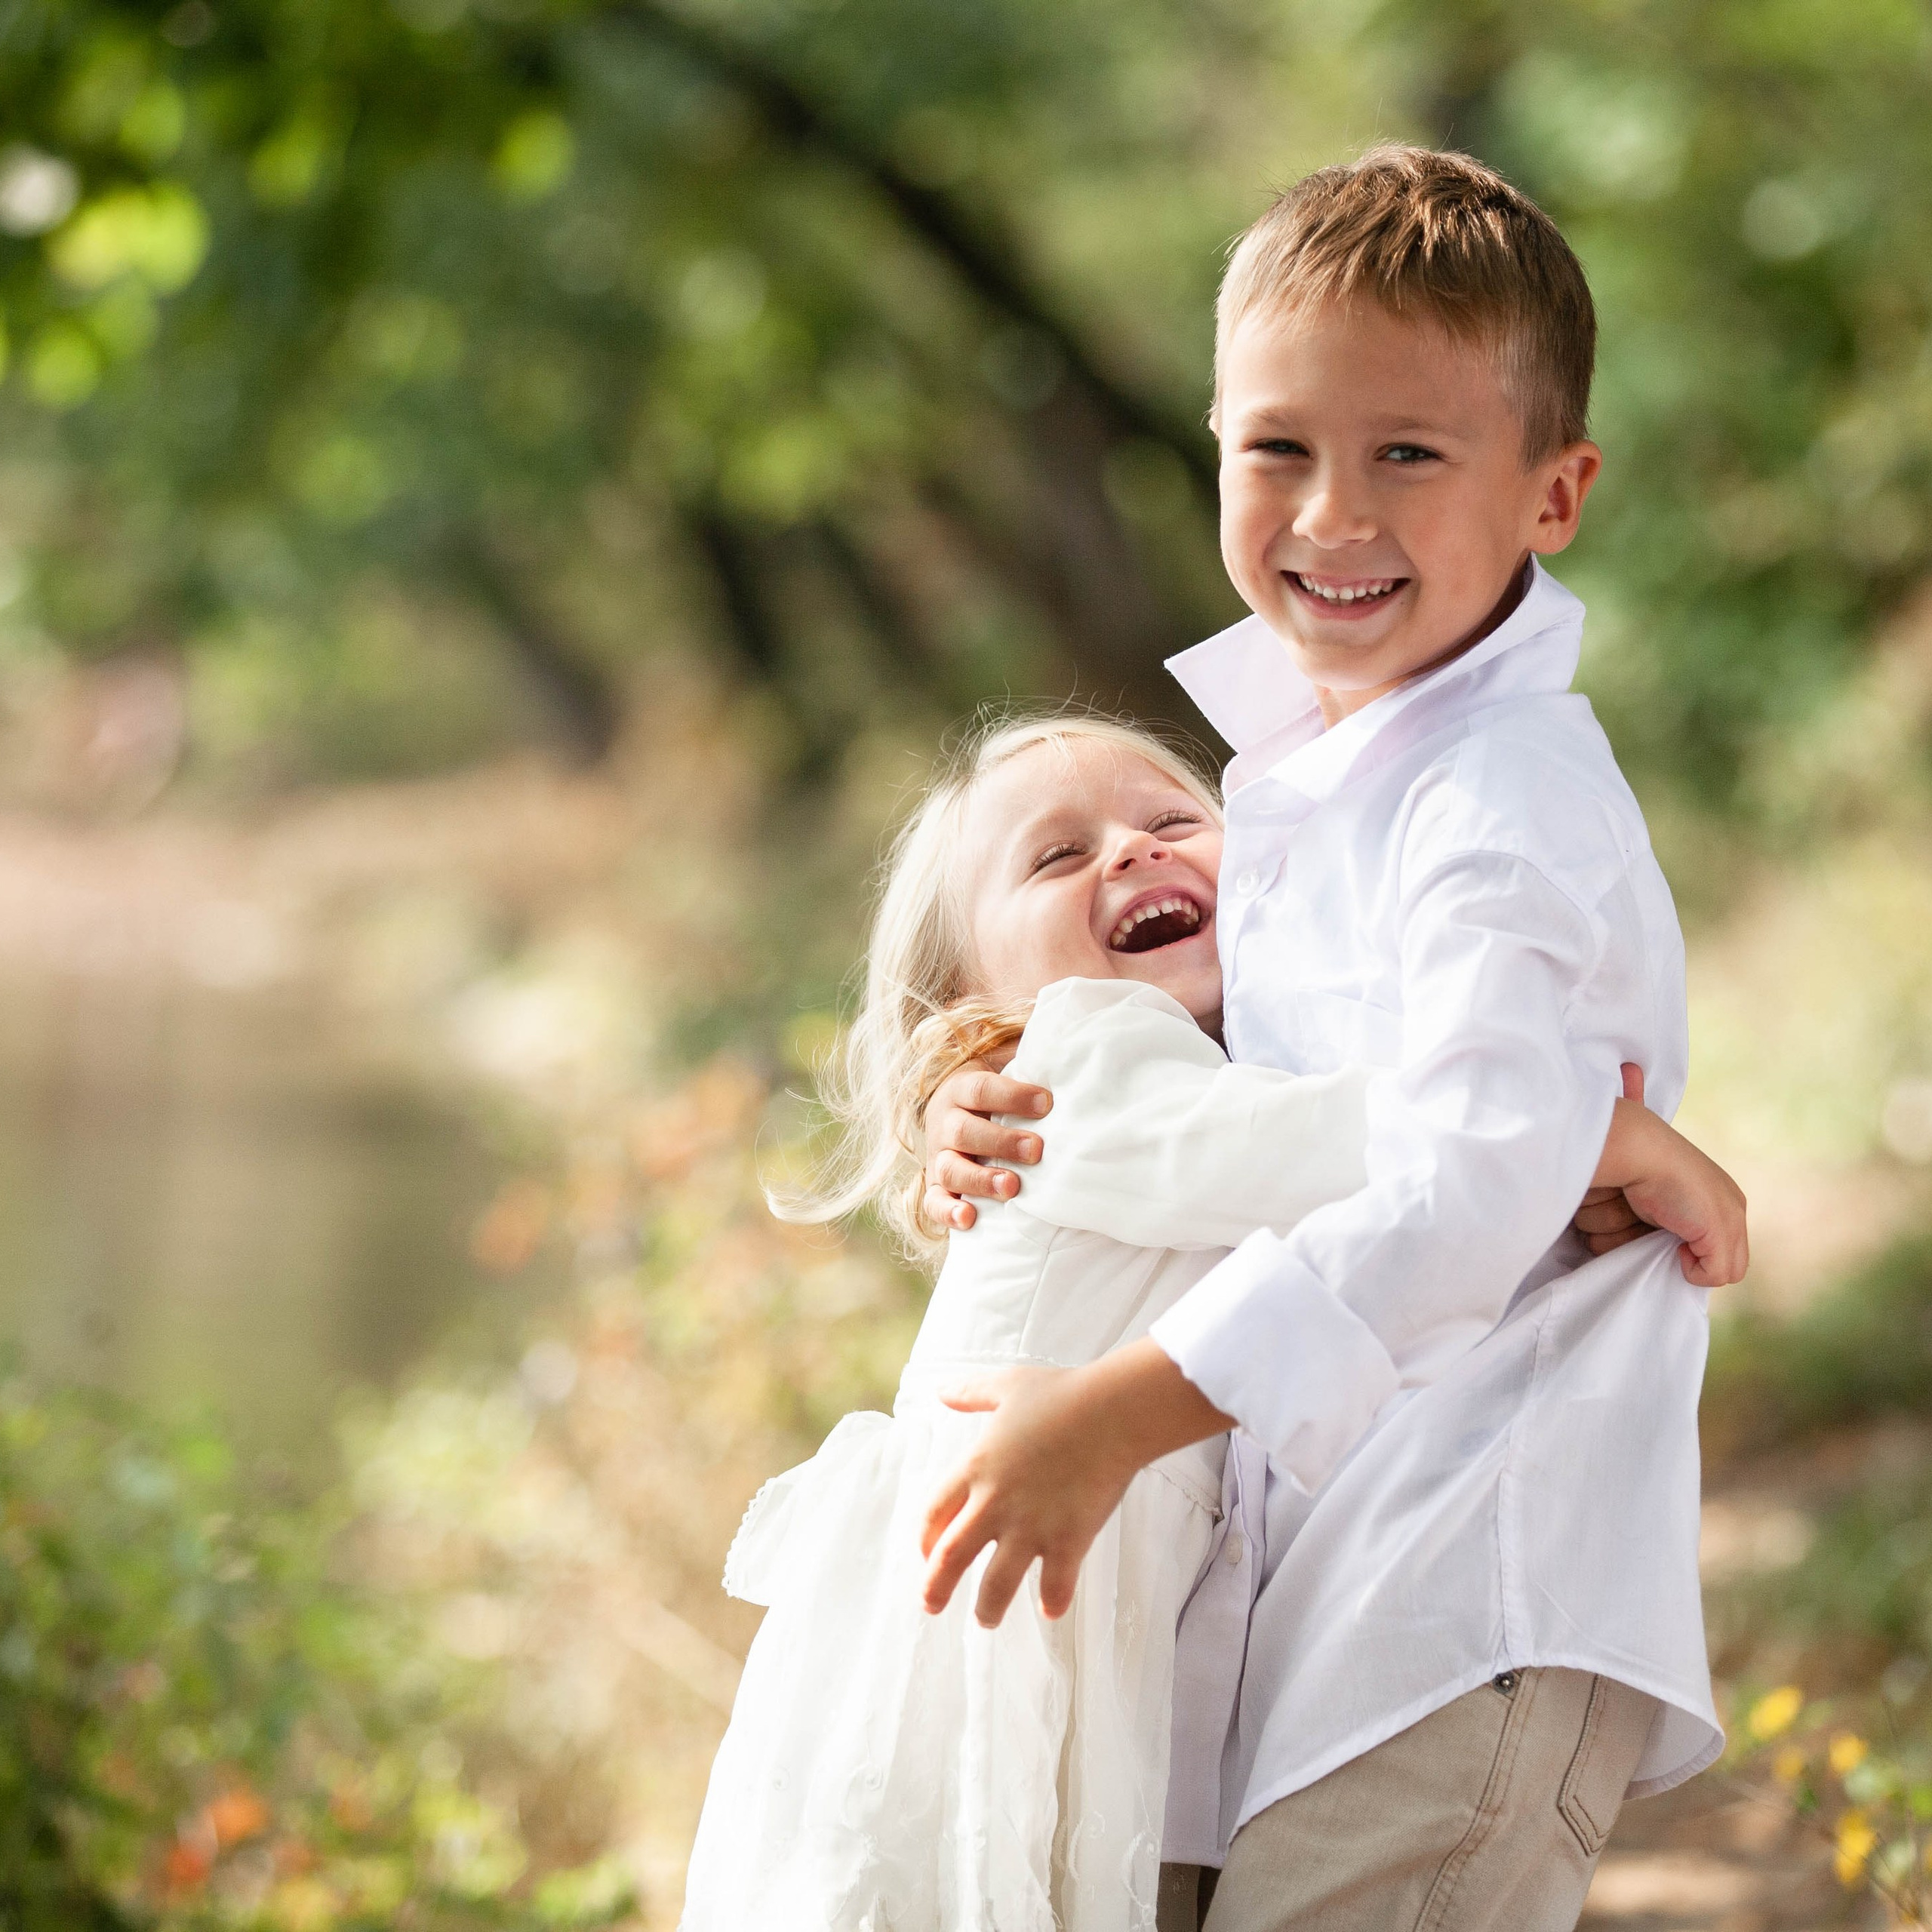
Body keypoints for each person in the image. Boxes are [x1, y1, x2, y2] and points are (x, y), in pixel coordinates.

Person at [918, 147, 1737, 1931]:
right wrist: (987, 1110)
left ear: (1553, 491)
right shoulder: (1299, 772)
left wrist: (1113, 1417)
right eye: (1276, 448)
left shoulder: (1492, 797)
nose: (1329, 515)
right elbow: (1234, 1103)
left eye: (1409, 455)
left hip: (1468, 1584)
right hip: (1326, 1584)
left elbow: (1461, 1177)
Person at [678, 715, 1746, 1932]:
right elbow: (1288, 1147)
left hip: (1052, 1632)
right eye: (1055, 856)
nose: (1130, 852)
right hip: (987, 1635)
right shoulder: (1069, 1066)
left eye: (1173, 819)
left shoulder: (1180, 1072)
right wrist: (1582, 1136)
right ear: (966, 994)